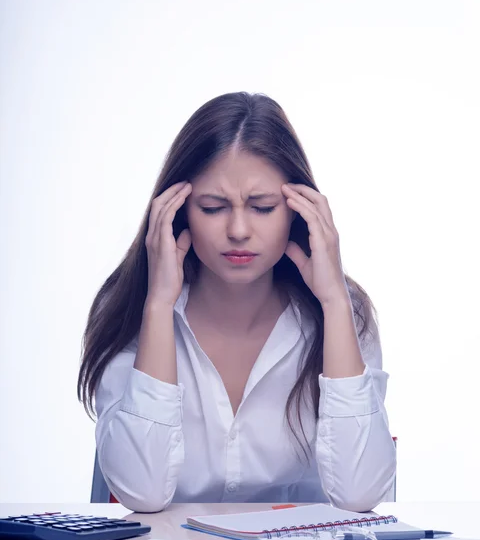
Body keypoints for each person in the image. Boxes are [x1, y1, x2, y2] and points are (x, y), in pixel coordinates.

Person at [77, 91, 396, 514]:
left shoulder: (343, 315)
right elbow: (142, 492)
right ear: (178, 210)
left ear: (298, 211)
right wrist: (158, 306)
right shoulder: (132, 308)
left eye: (263, 207)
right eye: (213, 207)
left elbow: (362, 494)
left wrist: (335, 302)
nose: (239, 230)